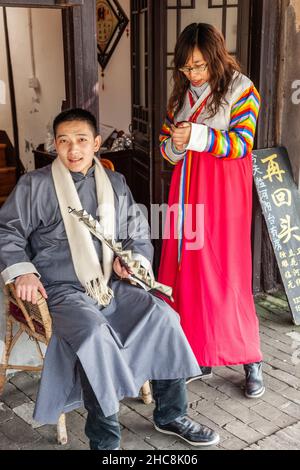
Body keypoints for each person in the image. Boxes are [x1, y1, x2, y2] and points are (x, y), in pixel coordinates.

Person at [0, 108, 220, 450]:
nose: (73, 150)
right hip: (61, 290)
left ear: (96, 144)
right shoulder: (35, 185)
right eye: (64, 142)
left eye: (82, 140)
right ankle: (104, 440)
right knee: (94, 335)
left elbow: (137, 235)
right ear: (55, 145)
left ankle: (171, 414)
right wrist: (24, 271)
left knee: (164, 317)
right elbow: (7, 231)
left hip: (111, 284)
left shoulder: (115, 183)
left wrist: (131, 261)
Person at [158, 23, 264, 398]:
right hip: (185, 191)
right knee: (188, 272)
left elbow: (242, 143)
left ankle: (251, 359)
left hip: (224, 194)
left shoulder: (242, 89)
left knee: (228, 272)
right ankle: (199, 353)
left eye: (200, 65)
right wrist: (174, 143)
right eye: (187, 68)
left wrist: (198, 137)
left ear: (217, 57)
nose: (194, 74)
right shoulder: (180, 96)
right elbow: (166, 148)